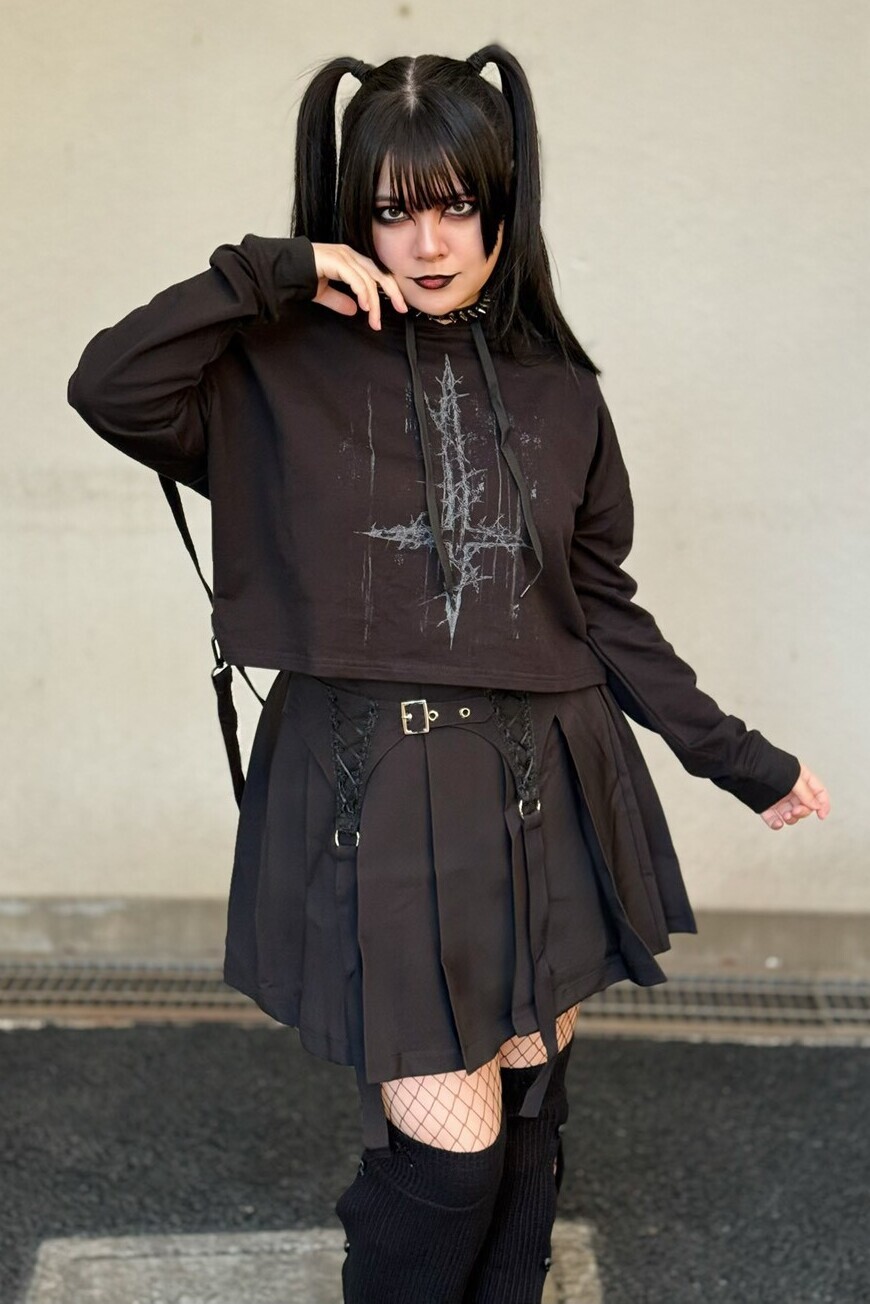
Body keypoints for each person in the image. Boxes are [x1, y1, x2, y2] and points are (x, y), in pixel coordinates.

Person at [67, 43, 830, 1304]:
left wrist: (738, 757)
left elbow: (601, 607)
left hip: (547, 783)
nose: (428, 242)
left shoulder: (562, 393)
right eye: (392, 210)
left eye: (458, 205)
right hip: (376, 793)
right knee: (450, 1157)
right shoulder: (274, 375)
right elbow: (110, 383)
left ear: (502, 206)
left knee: (528, 1116)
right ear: (352, 217)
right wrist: (273, 272)